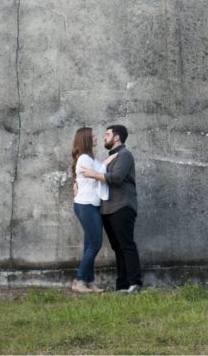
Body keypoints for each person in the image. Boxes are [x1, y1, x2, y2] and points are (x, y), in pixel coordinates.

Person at [81, 124, 142, 292]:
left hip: (122, 206)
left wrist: (93, 174)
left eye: (107, 134)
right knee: (117, 247)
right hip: (107, 209)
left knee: (126, 245)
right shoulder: (110, 158)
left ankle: (135, 283)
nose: (104, 137)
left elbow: (116, 178)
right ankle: (122, 285)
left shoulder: (124, 155)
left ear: (116, 138)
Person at [70, 126, 117, 294]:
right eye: (93, 136)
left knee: (89, 244)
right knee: (95, 243)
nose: (97, 138)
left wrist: (107, 161)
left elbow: (99, 169)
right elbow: (98, 174)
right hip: (86, 205)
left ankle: (89, 281)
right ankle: (79, 280)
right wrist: (107, 162)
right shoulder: (84, 158)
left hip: (91, 205)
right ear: (86, 140)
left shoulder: (90, 158)